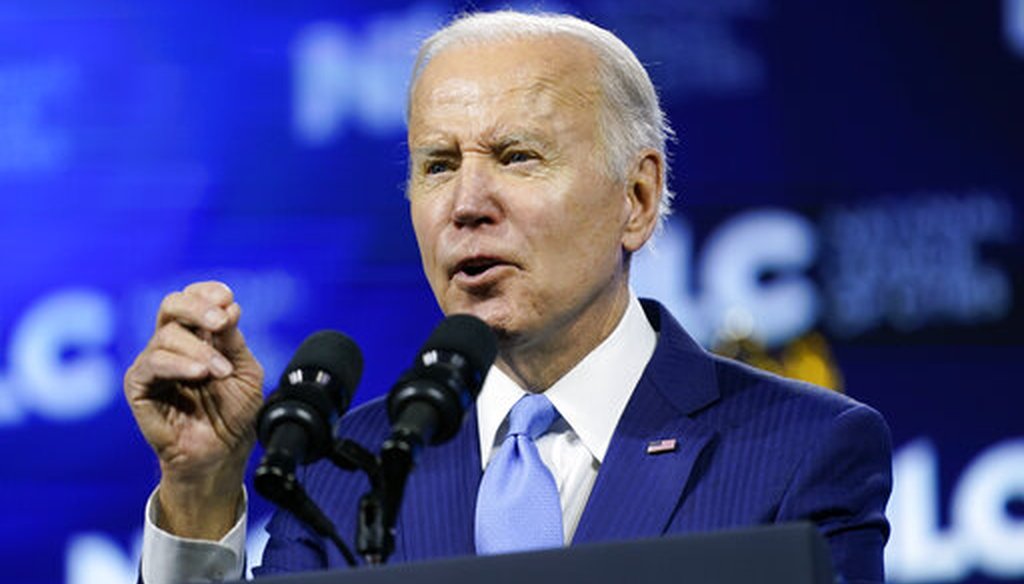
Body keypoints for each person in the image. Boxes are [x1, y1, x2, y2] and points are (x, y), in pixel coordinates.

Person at [124, 10, 892, 584]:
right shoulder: (342, 469)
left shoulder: (801, 451)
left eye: (517, 156)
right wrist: (199, 491)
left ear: (637, 197)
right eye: (436, 165)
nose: (466, 203)